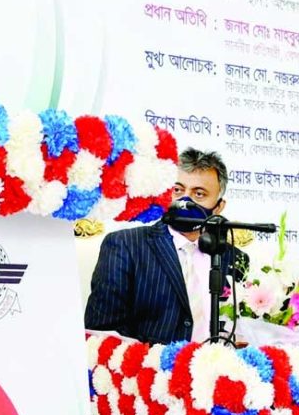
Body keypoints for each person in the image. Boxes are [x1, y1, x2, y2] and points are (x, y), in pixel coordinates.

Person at [84, 147, 247, 344]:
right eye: (177, 190)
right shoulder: (126, 246)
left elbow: (244, 328)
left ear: (219, 207)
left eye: (199, 194)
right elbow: (102, 333)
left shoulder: (234, 258)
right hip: (150, 370)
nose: (185, 201)